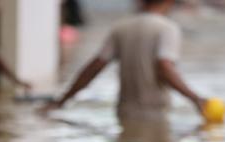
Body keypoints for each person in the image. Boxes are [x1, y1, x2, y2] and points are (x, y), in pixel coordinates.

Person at [45, 0, 205, 126]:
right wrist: (196, 99)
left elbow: (94, 67)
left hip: (124, 113)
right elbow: (164, 66)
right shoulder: (167, 28)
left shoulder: (121, 27)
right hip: (155, 114)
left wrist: (62, 101)